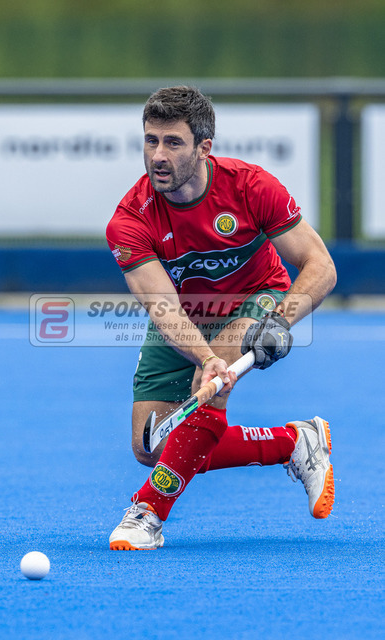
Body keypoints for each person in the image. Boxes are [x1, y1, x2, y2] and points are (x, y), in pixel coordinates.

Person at [106, 86, 337, 550]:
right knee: (151, 447)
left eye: (173, 142)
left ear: (203, 147)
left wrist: (280, 321)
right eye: (151, 140)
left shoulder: (252, 187)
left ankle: (149, 511)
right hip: (184, 313)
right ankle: (293, 442)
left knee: (208, 385)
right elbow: (164, 309)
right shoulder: (130, 221)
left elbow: (321, 266)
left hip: (256, 297)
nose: (158, 155)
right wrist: (205, 355)